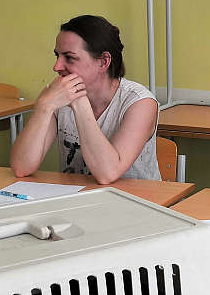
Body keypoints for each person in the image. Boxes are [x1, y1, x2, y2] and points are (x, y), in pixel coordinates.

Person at [11, 15, 160, 183]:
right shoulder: (56, 96)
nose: (56, 66)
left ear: (103, 62)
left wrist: (80, 103)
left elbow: (107, 174)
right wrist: (44, 107)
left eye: (69, 57)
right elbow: (21, 167)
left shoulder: (140, 102)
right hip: (77, 196)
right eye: (57, 56)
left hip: (135, 197)